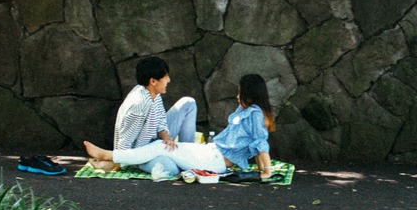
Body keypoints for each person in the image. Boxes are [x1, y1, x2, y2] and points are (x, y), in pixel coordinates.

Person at [86, 73, 277, 182]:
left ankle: (110, 156)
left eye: (240, 93)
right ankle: (111, 161)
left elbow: (260, 144)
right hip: (210, 152)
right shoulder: (247, 111)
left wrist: (266, 172)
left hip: (214, 161)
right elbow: (256, 143)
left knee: (160, 147)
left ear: (250, 94)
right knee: (162, 148)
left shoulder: (254, 113)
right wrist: (262, 168)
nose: (237, 96)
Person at [82, 56, 196, 180]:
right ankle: (110, 162)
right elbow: (125, 143)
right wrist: (118, 160)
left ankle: (186, 154)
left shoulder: (153, 93)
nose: (168, 80)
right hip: (141, 154)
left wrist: (167, 137)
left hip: (156, 142)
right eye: (166, 76)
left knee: (188, 103)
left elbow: (161, 120)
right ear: (153, 81)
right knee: (171, 169)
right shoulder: (138, 105)